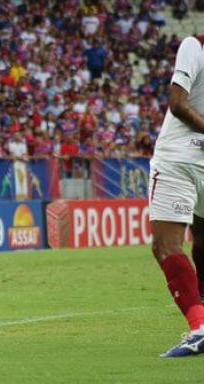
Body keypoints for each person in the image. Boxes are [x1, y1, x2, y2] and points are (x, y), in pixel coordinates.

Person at [148, 36, 204, 358]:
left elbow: (178, 104)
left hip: (179, 157)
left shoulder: (194, 45)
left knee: (166, 245)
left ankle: (199, 328)